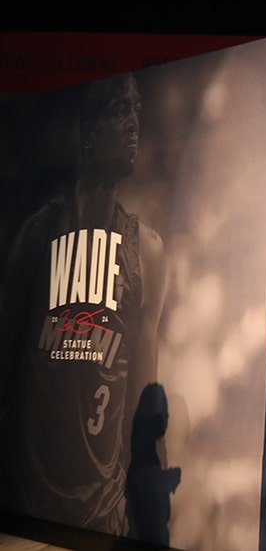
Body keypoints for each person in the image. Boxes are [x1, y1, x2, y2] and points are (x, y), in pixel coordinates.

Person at [0, 72, 166, 535]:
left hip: (100, 508)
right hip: (27, 500)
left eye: (137, 110)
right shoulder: (37, 236)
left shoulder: (145, 250)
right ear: (90, 136)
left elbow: (145, 401)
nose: (134, 123)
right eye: (120, 110)